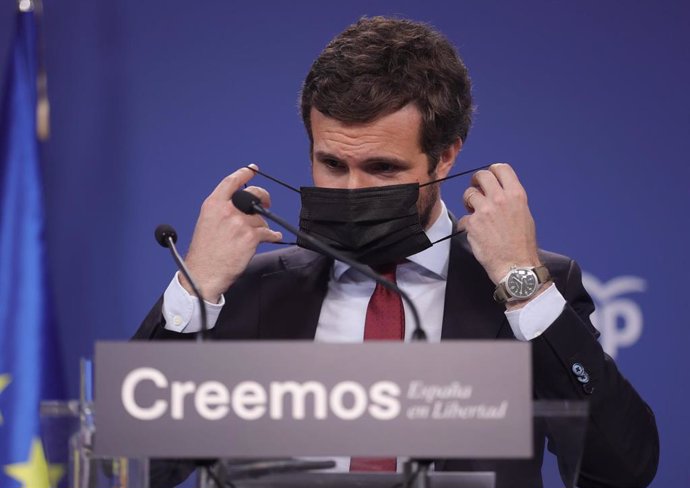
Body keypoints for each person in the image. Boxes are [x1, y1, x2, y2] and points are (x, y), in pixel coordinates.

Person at [134, 16, 659, 488]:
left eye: (383, 169)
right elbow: (138, 467)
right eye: (332, 164)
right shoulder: (255, 287)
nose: (351, 191)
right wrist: (193, 290)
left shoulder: (531, 285)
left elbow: (622, 466)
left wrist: (522, 283)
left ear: (445, 155)